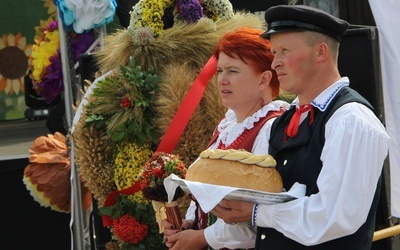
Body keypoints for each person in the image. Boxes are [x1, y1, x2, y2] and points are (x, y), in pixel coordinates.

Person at [210, 5, 391, 250]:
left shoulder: (351, 119)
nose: (275, 64)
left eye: (285, 51)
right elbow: (257, 217)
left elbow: (331, 218)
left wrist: (255, 213)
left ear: (320, 52)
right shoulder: (281, 122)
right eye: (274, 52)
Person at [162, 27, 290, 249]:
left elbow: (260, 218)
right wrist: (189, 223)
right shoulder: (228, 124)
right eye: (220, 70)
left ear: (264, 80)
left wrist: (202, 238)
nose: (222, 80)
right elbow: (205, 190)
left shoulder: (271, 128)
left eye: (233, 71)